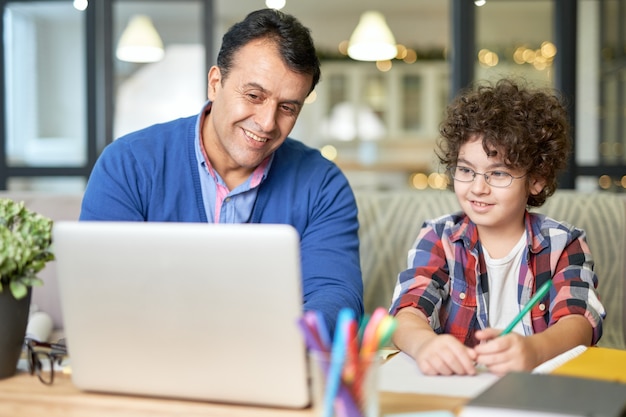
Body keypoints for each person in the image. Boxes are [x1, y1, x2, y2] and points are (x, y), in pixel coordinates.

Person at [79, 8, 363, 334]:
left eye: (287, 108)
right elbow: (99, 293)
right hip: (152, 360)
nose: (267, 123)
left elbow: (336, 297)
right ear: (215, 83)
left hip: (267, 366)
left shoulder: (323, 185)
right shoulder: (127, 165)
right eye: (254, 96)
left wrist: (274, 345)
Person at [389, 79, 606, 376]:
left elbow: (579, 322)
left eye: (499, 173)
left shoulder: (564, 244)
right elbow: (407, 311)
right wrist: (425, 345)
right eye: (465, 170)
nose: (478, 187)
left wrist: (534, 350)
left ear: (536, 179)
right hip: (457, 386)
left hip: (536, 391)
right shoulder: (440, 238)